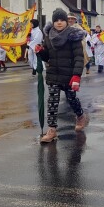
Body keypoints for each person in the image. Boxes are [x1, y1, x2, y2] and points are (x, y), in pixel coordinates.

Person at [36, 8, 88, 143]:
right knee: (52, 102)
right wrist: (41, 52)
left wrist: (76, 76)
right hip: (54, 73)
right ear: (53, 22)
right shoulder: (48, 37)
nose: (59, 23)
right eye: (56, 20)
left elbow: (78, 57)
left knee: (72, 99)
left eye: (62, 20)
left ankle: (81, 116)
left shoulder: (73, 37)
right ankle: (52, 130)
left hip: (69, 75)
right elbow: (48, 57)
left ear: (66, 22)